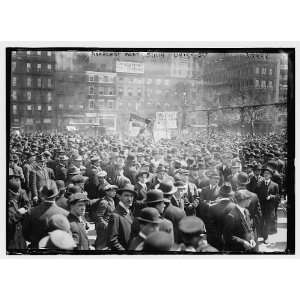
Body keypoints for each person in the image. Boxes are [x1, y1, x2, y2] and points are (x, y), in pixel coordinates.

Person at [22, 180, 69, 248]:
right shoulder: (65, 214)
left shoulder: (31, 212)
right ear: (57, 194)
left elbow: (26, 235)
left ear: (41, 195)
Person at [106, 184, 136, 250]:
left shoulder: (129, 211)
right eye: (126, 195)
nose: (130, 199)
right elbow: (112, 241)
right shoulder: (115, 215)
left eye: (131, 196)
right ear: (119, 197)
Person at [255, 166, 280, 244]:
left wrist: (271, 197)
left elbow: (278, 197)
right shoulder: (259, 184)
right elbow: (256, 195)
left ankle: (266, 237)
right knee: (261, 222)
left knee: (267, 222)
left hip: (270, 208)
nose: (266, 175)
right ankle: (261, 236)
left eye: (268, 174)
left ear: (271, 175)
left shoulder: (275, 185)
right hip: (261, 207)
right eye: (265, 173)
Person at [93, 184, 118, 250]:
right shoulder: (104, 202)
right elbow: (99, 216)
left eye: (115, 191)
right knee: (101, 245)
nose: (115, 192)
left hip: (109, 227)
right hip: (103, 228)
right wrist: (106, 225)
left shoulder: (112, 200)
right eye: (112, 191)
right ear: (107, 192)